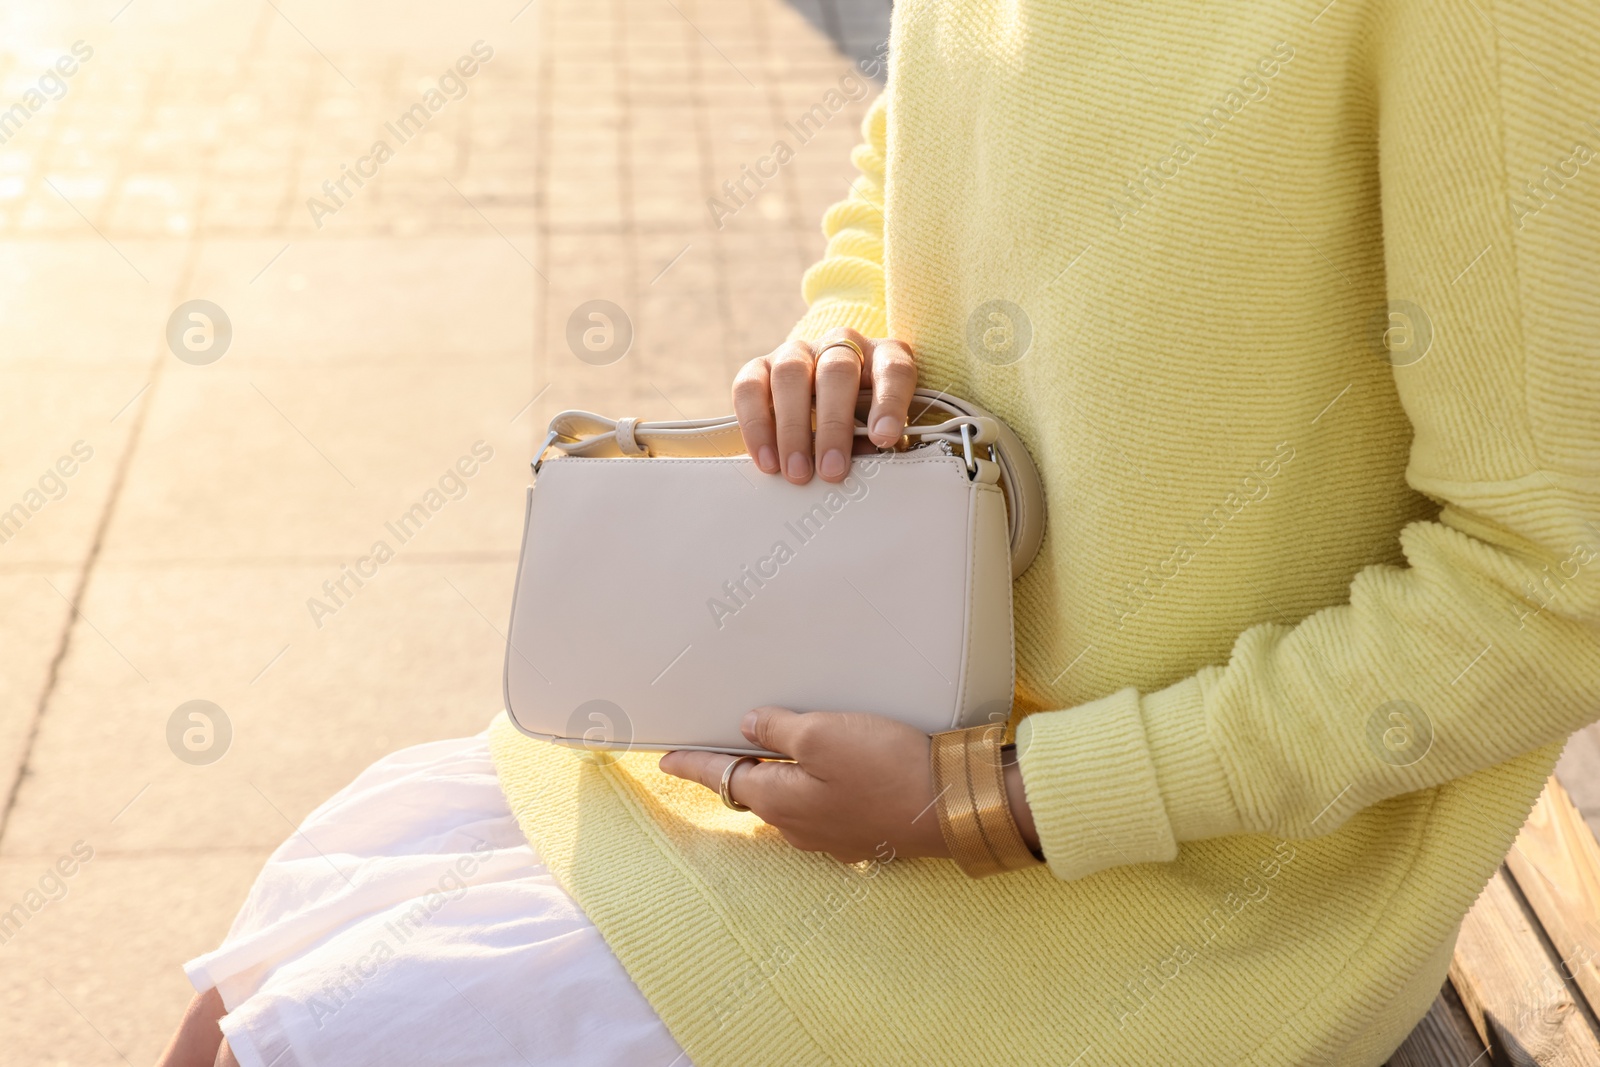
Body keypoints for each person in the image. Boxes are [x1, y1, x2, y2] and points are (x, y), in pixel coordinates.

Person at [160, 0, 1600, 1063]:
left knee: (336, 1029)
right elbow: (911, 153)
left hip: (1179, 896)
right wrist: (841, 339)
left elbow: (1553, 585)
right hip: (881, 710)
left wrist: (990, 797)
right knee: (261, 980)